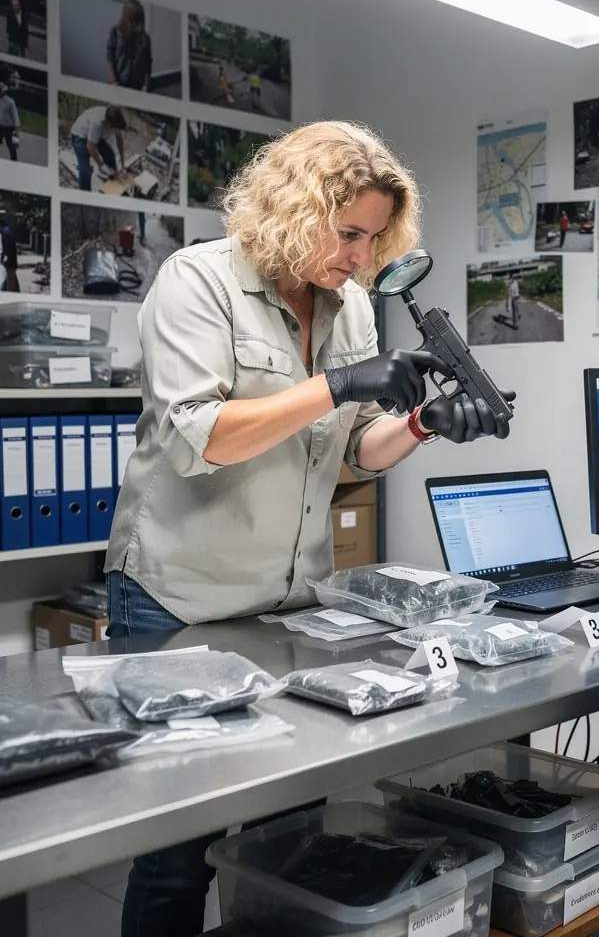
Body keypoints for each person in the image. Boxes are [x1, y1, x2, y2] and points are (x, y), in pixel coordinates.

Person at [103, 120, 514, 937]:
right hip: (175, 597)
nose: (361, 258)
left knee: (284, 830)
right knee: (179, 842)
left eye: (374, 239)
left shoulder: (350, 306)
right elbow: (206, 437)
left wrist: (426, 424)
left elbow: (357, 447)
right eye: (349, 233)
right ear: (295, 208)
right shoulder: (197, 282)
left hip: (288, 602)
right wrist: (336, 383)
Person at [68, 104, 126, 191]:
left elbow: (119, 141)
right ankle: (85, 195)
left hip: (96, 136)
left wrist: (122, 164)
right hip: (80, 135)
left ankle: (114, 178)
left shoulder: (116, 120)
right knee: (85, 170)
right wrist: (101, 165)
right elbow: (90, 146)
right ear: (109, 125)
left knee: (109, 155)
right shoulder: (98, 123)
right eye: (114, 130)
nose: (115, 132)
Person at [107, 0, 153, 91]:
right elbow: (110, 56)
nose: (137, 23)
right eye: (135, 19)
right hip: (119, 83)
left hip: (138, 86)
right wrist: (114, 81)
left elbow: (148, 63)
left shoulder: (145, 38)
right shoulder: (115, 32)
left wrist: (146, 85)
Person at [0, 81, 21, 161]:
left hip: (9, 128)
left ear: (3, 91)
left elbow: (15, 117)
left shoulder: (10, 102)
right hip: (1, 126)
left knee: (11, 146)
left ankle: (14, 161)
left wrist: (17, 131)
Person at [0, 219, 19, 292]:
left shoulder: (5, 233)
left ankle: (12, 295)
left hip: (9, 262)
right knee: (11, 279)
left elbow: (5, 249)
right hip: (11, 261)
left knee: (10, 282)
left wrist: (2, 260)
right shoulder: (7, 231)